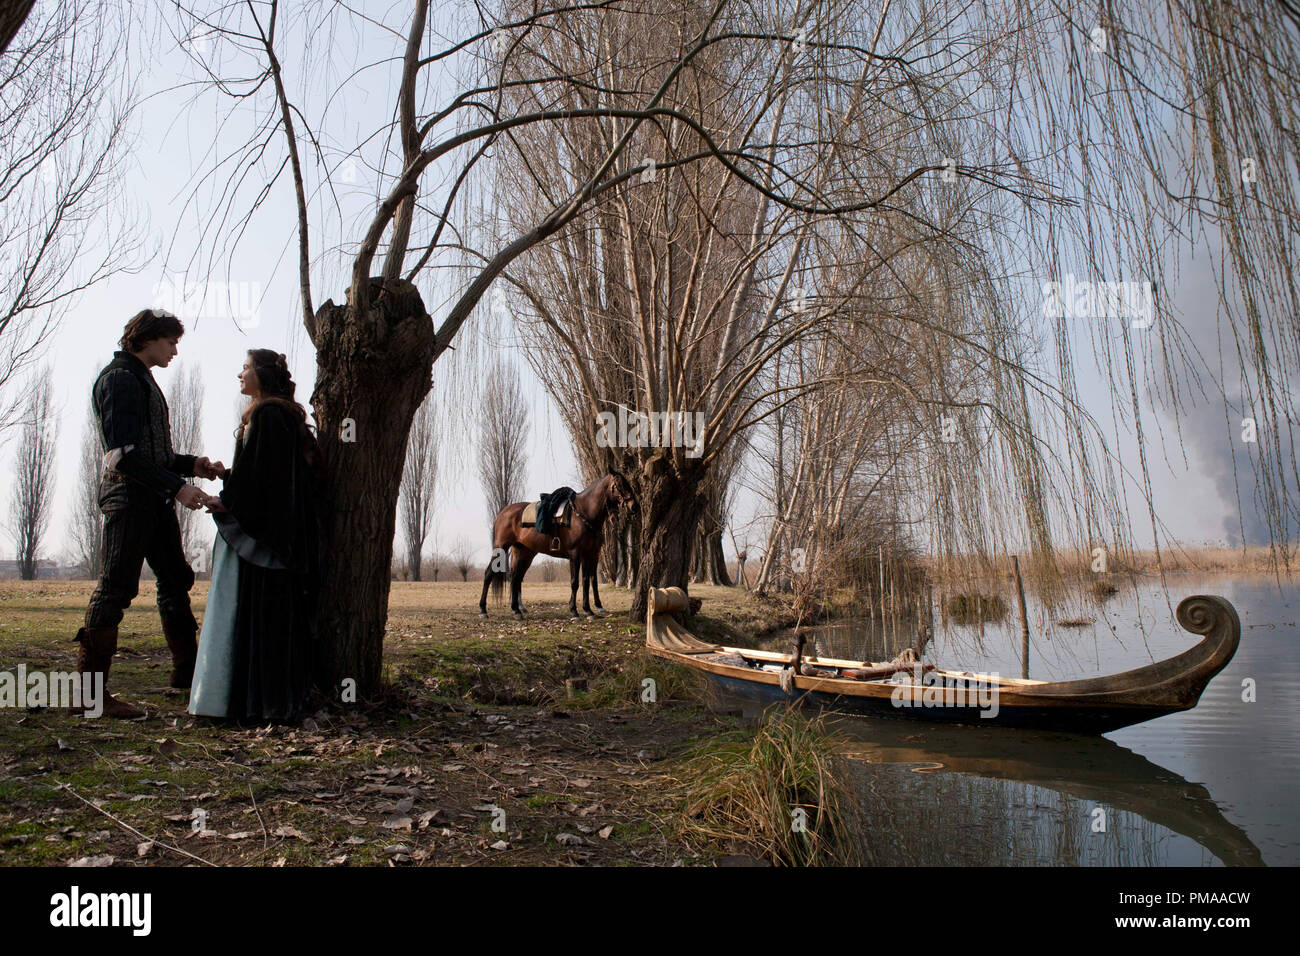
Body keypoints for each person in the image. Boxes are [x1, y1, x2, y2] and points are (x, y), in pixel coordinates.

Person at [78, 309, 224, 719]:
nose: (176, 350)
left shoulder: (140, 378)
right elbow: (122, 456)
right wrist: (178, 487)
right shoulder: (121, 379)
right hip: (129, 499)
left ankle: (188, 674)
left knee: (175, 579)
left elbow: (152, 454)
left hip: (152, 498)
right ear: (148, 338)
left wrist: (193, 464)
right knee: (115, 588)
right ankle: (89, 695)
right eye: (171, 341)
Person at [189, 349, 321, 723]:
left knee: (261, 617)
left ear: (262, 373)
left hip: (269, 542)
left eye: (245, 368)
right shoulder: (274, 415)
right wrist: (229, 479)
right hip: (281, 536)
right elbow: (265, 475)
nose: (240, 374)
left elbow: (268, 481)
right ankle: (263, 702)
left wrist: (227, 500)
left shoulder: (268, 415)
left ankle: (257, 704)